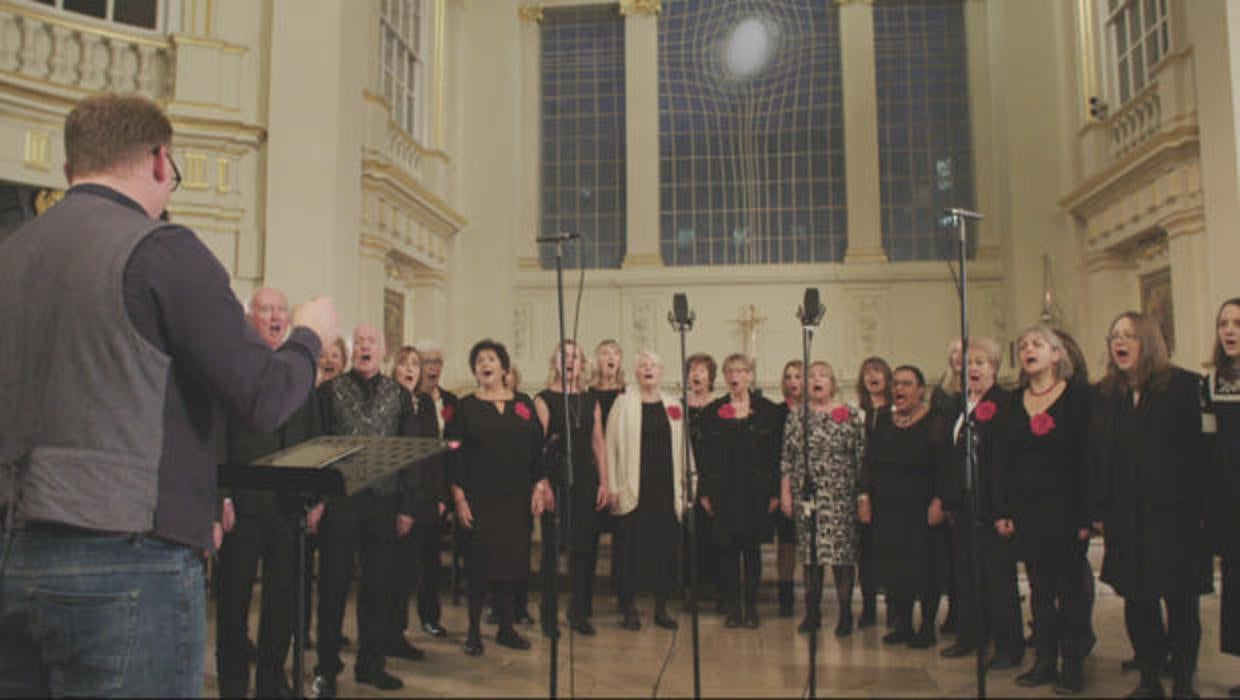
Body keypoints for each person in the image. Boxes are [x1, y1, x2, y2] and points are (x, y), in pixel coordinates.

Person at [0, 92, 338, 697]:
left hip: (13, 551)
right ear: (161, 161)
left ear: (70, 167)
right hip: (125, 555)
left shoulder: (13, 252)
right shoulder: (160, 248)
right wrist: (310, 336)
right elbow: (262, 396)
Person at [1091, 311, 1210, 699]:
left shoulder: (1186, 387)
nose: (1119, 343)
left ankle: (1184, 683)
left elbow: (1202, 454)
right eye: (1114, 336)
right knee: (1136, 598)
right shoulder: (1107, 393)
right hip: (1126, 515)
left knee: (1180, 601)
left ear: (1149, 341)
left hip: (1176, 515)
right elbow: (1100, 456)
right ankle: (1148, 679)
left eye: (1128, 335)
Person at [215, 288, 324, 699]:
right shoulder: (232, 365)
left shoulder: (300, 370)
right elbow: (217, 436)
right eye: (267, 310)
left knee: (284, 600)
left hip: (288, 506)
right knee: (232, 601)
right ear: (250, 317)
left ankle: (272, 681)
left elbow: (315, 437)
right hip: (241, 504)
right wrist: (221, 496)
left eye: (282, 310)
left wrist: (316, 498)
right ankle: (232, 683)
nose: (276, 317)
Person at [309, 325, 424, 697]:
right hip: (339, 503)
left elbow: (410, 454)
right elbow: (317, 450)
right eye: (359, 342)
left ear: (383, 351)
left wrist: (407, 507)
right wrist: (318, 502)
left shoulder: (400, 396)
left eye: (371, 342)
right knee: (332, 586)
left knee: (378, 589)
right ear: (352, 349)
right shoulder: (328, 392)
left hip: (383, 504)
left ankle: (371, 665)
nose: (365, 347)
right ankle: (326, 667)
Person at [991, 326, 1090, 693]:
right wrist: (1003, 509)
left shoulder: (1077, 398)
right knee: (1040, 591)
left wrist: (1086, 515)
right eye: (1023, 345)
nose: (1028, 349)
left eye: (1036, 344)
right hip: (1027, 510)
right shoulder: (1013, 402)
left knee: (1071, 592)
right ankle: (1045, 660)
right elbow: (1002, 461)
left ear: (1056, 355)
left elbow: (1086, 459)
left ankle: (1073, 665)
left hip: (1065, 511)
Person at [447, 340, 549, 656]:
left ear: (504, 367)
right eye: (479, 360)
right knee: (479, 566)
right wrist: (460, 499)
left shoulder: (524, 404)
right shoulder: (465, 407)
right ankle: (474, 631)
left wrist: (539, 487)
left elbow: (538, 451)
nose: (485, 364)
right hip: (480, 498)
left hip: (516, 499)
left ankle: (507, 628)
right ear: (475, 369)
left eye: (491, 359)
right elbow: (453, 457)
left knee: (512, 566)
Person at [936, 338, 1024, 671]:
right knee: (967, 576)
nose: (973, 368)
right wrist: (949, 499)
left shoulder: (1005, 403)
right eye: (969, 362)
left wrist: (1005, 509)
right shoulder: (960, 403)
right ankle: (972, 636)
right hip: (963, 506)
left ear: (995, 368)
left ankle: (1008, 646)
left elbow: (1005, 460)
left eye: (981, 362)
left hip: (993, 505)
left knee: (998, 580)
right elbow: (951, 454)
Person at [859, 366, 950, 649]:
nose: (900, 389)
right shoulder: (884, 420)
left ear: (921, 389)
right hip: (888, 505)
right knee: (895, 566)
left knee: (925, 567)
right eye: (896, 384)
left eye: (907, 384)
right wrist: (864, 496)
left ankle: (926, 627)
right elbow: (869, 461)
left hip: (921, 505)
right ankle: (904, 624)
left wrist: (938, 501)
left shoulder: (935, 421)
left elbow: (944, 468)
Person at [606, 351, 694, 630]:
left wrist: (688, 485)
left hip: (665, 488)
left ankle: (661, 607)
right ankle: (629, 608)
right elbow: (610, 447)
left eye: (653, 366)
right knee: (630, 550)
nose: (648, 369)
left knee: (664, 549)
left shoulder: (673, 404)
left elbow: (684, 446)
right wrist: (612, 486)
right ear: (635, 372)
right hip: (633, 488)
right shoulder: (623, 403)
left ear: (661, 371)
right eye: (643, 365)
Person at [780, 361, 866, 637]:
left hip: (841, 495)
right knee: (810, 557)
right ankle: (812, 613)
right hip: (807, 496)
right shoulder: (796, 416)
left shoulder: (849, 414)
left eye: (823, 376)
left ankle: (844, 614)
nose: (817, 380)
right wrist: (786, 494)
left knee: (842, 557)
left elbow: (861, 456)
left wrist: (862, 496)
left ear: (832, 383)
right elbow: (787, 458)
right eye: (812, 376)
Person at [699, 353, 783, 628]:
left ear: (750, 375)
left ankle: (752, 606)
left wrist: (774, 492)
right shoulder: (713, 411)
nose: (736, 375)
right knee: (727, 552)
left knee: (752, 551)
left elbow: (775, 456)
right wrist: (705, 492)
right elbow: (705, 456)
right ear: (725, 377)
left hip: (755, 491)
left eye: (741, 370)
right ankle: (733, 607)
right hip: (724, 490)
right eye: (730, 371)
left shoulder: (768, 410)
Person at [533, 340, 609, 638]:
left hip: (586, 479)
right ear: (555, 362)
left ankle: (578, 613)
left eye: (575, 356)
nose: (570, 361)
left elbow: (598, 442)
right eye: (564, 356)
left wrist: (604, 481)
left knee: (584, 550)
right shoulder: (543, 399)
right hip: (555, 478)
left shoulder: (591, 401)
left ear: (582, 364)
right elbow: (536, 447)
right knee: (552, 551)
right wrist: (542, 485)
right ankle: (548, 616)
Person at [389, 346, 449, 648]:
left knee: (427, 563)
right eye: (405, 364)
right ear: (394, 369)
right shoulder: (387, 399)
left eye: (416, 364)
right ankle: (392, 631)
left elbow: (432, 453)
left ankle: (426, 619)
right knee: (398, 570)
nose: (412, 369)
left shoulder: (425, 403)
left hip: (425, 496)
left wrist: (439, 496)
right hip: (396, 499)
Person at [1203, 298, 1240, 698]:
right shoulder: (1210, 384)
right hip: (1231, 505)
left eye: (1237, 323)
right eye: (1223, 323)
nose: (1229, 330)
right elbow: (1207, 447)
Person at [413, 339, 459, 634]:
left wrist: (446, 495)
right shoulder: (410, 401)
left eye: (437, 362)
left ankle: (431, 616)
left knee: (431, 560)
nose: (433, 367)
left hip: (442, 487)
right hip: (415, 488)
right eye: (427, 361)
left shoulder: (452, 402)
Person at [856, 356, 893, 628]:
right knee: (865, 552)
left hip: (889, 489)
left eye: (878, 371)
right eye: (868, 372)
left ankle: (894, 610)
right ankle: (868, 608)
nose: (873, 376)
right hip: (862, 489)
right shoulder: (858, 412)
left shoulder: (896, 410)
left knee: (888, 550)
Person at [685, 352, 723, 610]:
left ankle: (720, 590)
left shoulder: (721, 406)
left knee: (715, 536)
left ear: (711, 376)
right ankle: (691, 591)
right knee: (689, 536)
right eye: (692, 370)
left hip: (713, 478)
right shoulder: (678, 405)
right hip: (686, 477)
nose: (696, 375)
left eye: (702, 370)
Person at [773, 360, 804, 618]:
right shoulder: (776, 412)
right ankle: (785, 595)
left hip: (806, 484)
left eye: (798, 376)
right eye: (789, 377)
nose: (793, 382)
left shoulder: (815, 411)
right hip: (779, 483)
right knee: (786, 542)